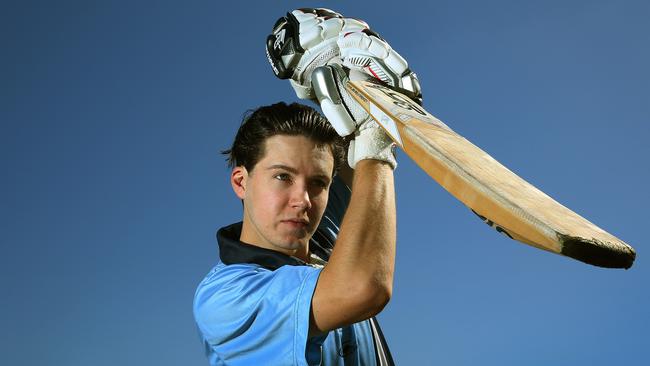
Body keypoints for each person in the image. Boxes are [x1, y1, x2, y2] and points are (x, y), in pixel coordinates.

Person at [193, 8, 422, 365]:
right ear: (241, 181)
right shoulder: (226, 298)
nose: (303, 200)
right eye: (282, 177)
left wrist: (335, 86)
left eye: (317, 183)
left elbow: (353, 168)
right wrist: (377, 143)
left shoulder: (318, 245)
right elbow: (363, 288)